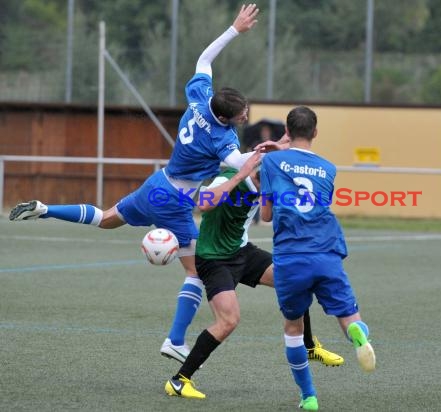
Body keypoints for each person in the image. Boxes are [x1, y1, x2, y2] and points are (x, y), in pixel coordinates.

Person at [8, 4, 261, 364]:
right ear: (225, 118)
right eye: (241, 115)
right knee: (195, 271)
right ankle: (175, 340)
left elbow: (204, 59)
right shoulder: (222, 140)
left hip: (158, 183)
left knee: (107, 217)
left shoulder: (199, 99)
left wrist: (234, 29)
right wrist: (275, 152)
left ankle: (47, 210)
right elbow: (244, 165)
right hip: (178, 197)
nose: (245, 116)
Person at [164, 151, 344, 400]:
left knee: (295, 279)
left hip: (243, 251)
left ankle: (309, 347)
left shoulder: (268, 184)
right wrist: (239, 176)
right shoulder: (228, 178)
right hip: (214, 259)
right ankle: (179, 381)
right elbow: (203, 203)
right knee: (228, 321)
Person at [259, 106, 376, 411]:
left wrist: (276, 154)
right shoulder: (328, 168)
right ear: (315, 132)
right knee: (350, 316)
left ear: (287, 130)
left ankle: (308, 396)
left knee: (294, 329)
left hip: (290, 256)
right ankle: (356, 333)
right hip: (326, 252)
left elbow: (266, 216)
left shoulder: (271, 161)